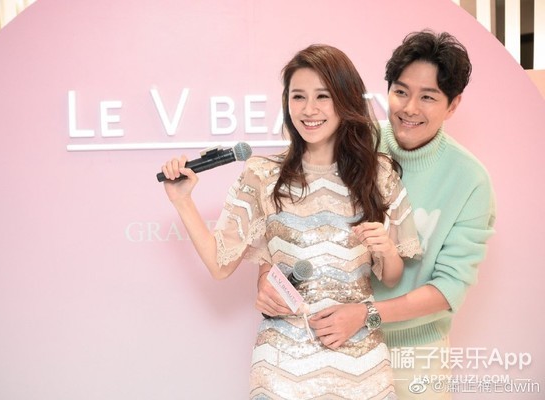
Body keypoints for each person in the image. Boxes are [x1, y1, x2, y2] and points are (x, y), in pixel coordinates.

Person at [161, 44, 421, 399]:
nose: (309, 109)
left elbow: (391, 276)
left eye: (322, 96)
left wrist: (387, 249)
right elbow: (220, 265)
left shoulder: (378, 173)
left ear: (345, 100)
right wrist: (182, 201)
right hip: (282, 364)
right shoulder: (261, 175)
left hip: (362, 361)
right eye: (298, 96)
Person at [257, 31, 497, 399]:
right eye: (401, 92)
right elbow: (286, 215)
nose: (410, 108)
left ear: (452, 105)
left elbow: (450, 286)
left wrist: (366, 314)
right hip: (332, 344)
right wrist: (266, 278)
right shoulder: (356, 142)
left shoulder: (470, 180)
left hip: (416, 349)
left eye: (428, 97)